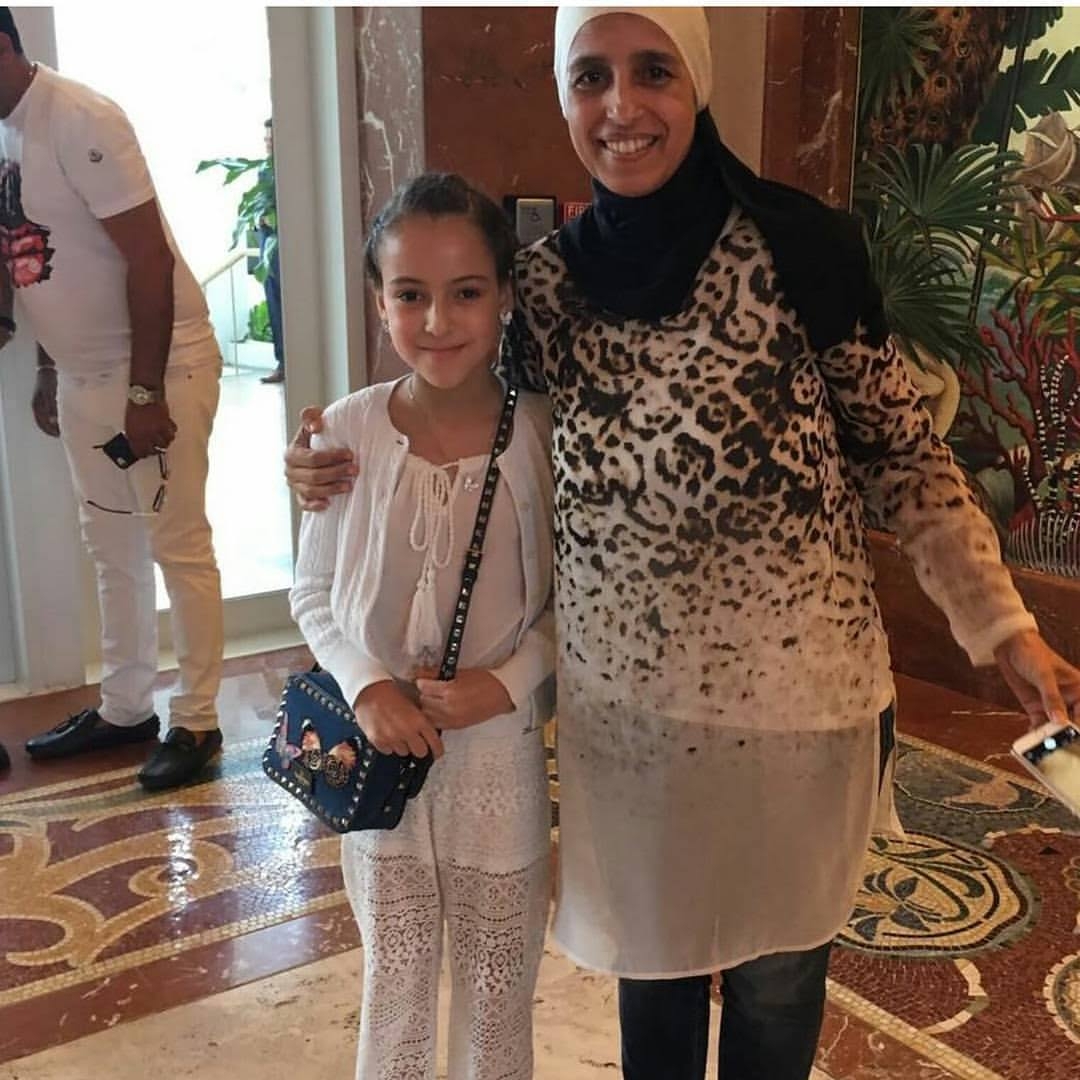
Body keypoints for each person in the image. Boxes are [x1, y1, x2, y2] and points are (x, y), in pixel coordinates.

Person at [284, 8, 1080, 1079]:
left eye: (652, 70)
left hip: (799, 710)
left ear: (695, 80)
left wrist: (1002, 625)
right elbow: (466, 420)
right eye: (590, 77)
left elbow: (904, 456)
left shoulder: (803, 249)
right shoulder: (549, 288)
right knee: (652, 982)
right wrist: (330, 457)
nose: (621, 106)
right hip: (628, 721)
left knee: (776, 984)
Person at [290, 172, 555, 1079]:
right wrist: (366, 687)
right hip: (379, 759)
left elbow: (573, 606)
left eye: (466, 292)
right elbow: (312, 592)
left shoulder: (544, 436)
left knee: (497, 987)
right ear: (379, 301)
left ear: (506, 295)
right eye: (410, 295)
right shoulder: (347, 430)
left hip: (497, 760)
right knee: (395, 979)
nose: (437, 321)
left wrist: (505, 685)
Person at [0, 9, 225, 791]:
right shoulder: (6, 133)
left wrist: (143, 392)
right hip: (81, 375)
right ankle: (126, 708)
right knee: (111, 549)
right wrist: (46, 370)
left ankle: (197, 719)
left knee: (177, 545)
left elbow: (149, 261)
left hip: (159, 369)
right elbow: (37, 261)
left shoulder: (79, 117)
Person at [258, 117, 284, 385]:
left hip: (286, 247)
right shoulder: (264, 172)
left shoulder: (291, 171)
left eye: (272, 139)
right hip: (268, 247)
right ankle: (282, 362)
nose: (267, 144)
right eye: (265, 139)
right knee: (274, 305)